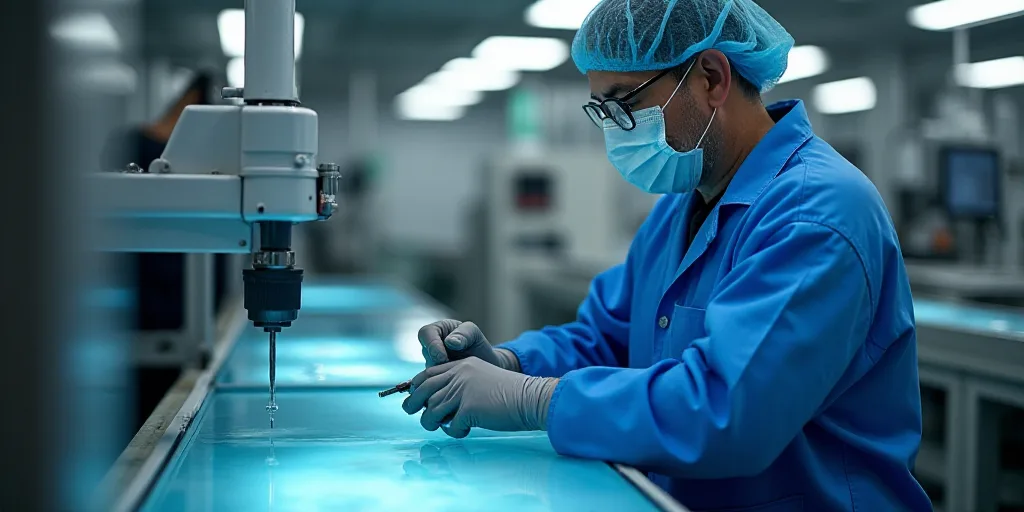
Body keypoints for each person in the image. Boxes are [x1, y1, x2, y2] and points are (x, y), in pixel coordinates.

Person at [400, 1, 931, 510]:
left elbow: (725, 412)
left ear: (712, 79)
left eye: (625, 104)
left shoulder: (816, 214)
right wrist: (511, 362)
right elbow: (607, 336)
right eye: (601, 111)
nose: (614, 130)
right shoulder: (682, 207)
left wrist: (533, 398)